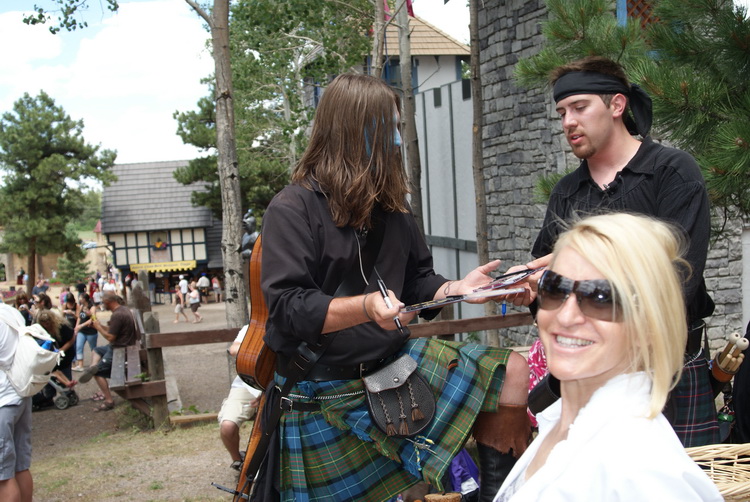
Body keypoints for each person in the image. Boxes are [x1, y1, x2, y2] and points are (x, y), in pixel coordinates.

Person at [256, 73, 531, 502]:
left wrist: (457, 288)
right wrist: (366, 307)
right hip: (325, 390)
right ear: (350, 133)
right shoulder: (292, 209)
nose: (398, 144)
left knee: (509, 371)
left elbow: (419, 279)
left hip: (394, 370)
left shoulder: (393, 211)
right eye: (387, 130)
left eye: (398, 129)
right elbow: (290, 310)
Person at [521, 56, 717, 447]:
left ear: (616, 105)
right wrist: (534, 289)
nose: (568, 123)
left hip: (669, 367)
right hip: (591, 370)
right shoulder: (567, 193)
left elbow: (678, 283)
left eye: (579, 107)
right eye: (562, 112)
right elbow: (550, 287)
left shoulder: (672, 172)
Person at [494, 213, 721, 501]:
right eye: (554, 288)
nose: (565, 316)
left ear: (649, 324)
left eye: (601, 297)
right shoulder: (563, 423)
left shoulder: (639, 468)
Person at [78, 292, 138, 412]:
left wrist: (99, 328)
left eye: (103, 303)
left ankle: (109, 400)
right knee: (96, 350)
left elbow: (111, 337)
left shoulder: (117, 315)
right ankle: (93, 366)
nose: (102, 305)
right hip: (123, 345)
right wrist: (98, 325)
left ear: (108, 302)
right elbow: (113, 331)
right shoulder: (123, 310)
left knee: (98, 374)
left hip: (120, 348)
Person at [0, 304, 34, 502]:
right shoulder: (9, 312)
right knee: (20, 466)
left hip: (3, 400)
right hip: (19, 392)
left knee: (3, 477)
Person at [219, 325, 262, 472]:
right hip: (248, 385)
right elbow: (234, 349)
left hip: (279, 385)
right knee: (227, 426)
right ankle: (238, 461)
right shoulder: (252, 327)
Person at [72, 294, 98, 373]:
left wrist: (89, 314)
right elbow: (79, 317)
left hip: (91, 331)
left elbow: (93, 319)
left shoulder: (92, 307)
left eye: (81, 297)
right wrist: (77, 327)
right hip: (82, 331)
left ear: (85, 299)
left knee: (93, 348)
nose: (79, 299)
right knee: (79, 346)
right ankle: (80, 365)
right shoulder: (81, 306)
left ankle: (94, 364)